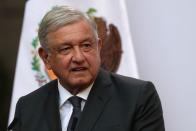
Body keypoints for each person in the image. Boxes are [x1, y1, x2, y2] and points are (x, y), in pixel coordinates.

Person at [9, 5, 165, 131]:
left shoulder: (137, 97)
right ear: (46, 57)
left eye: (86, 46)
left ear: (99, 47)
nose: (78, 57)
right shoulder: (28, 107)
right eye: (66, 49)